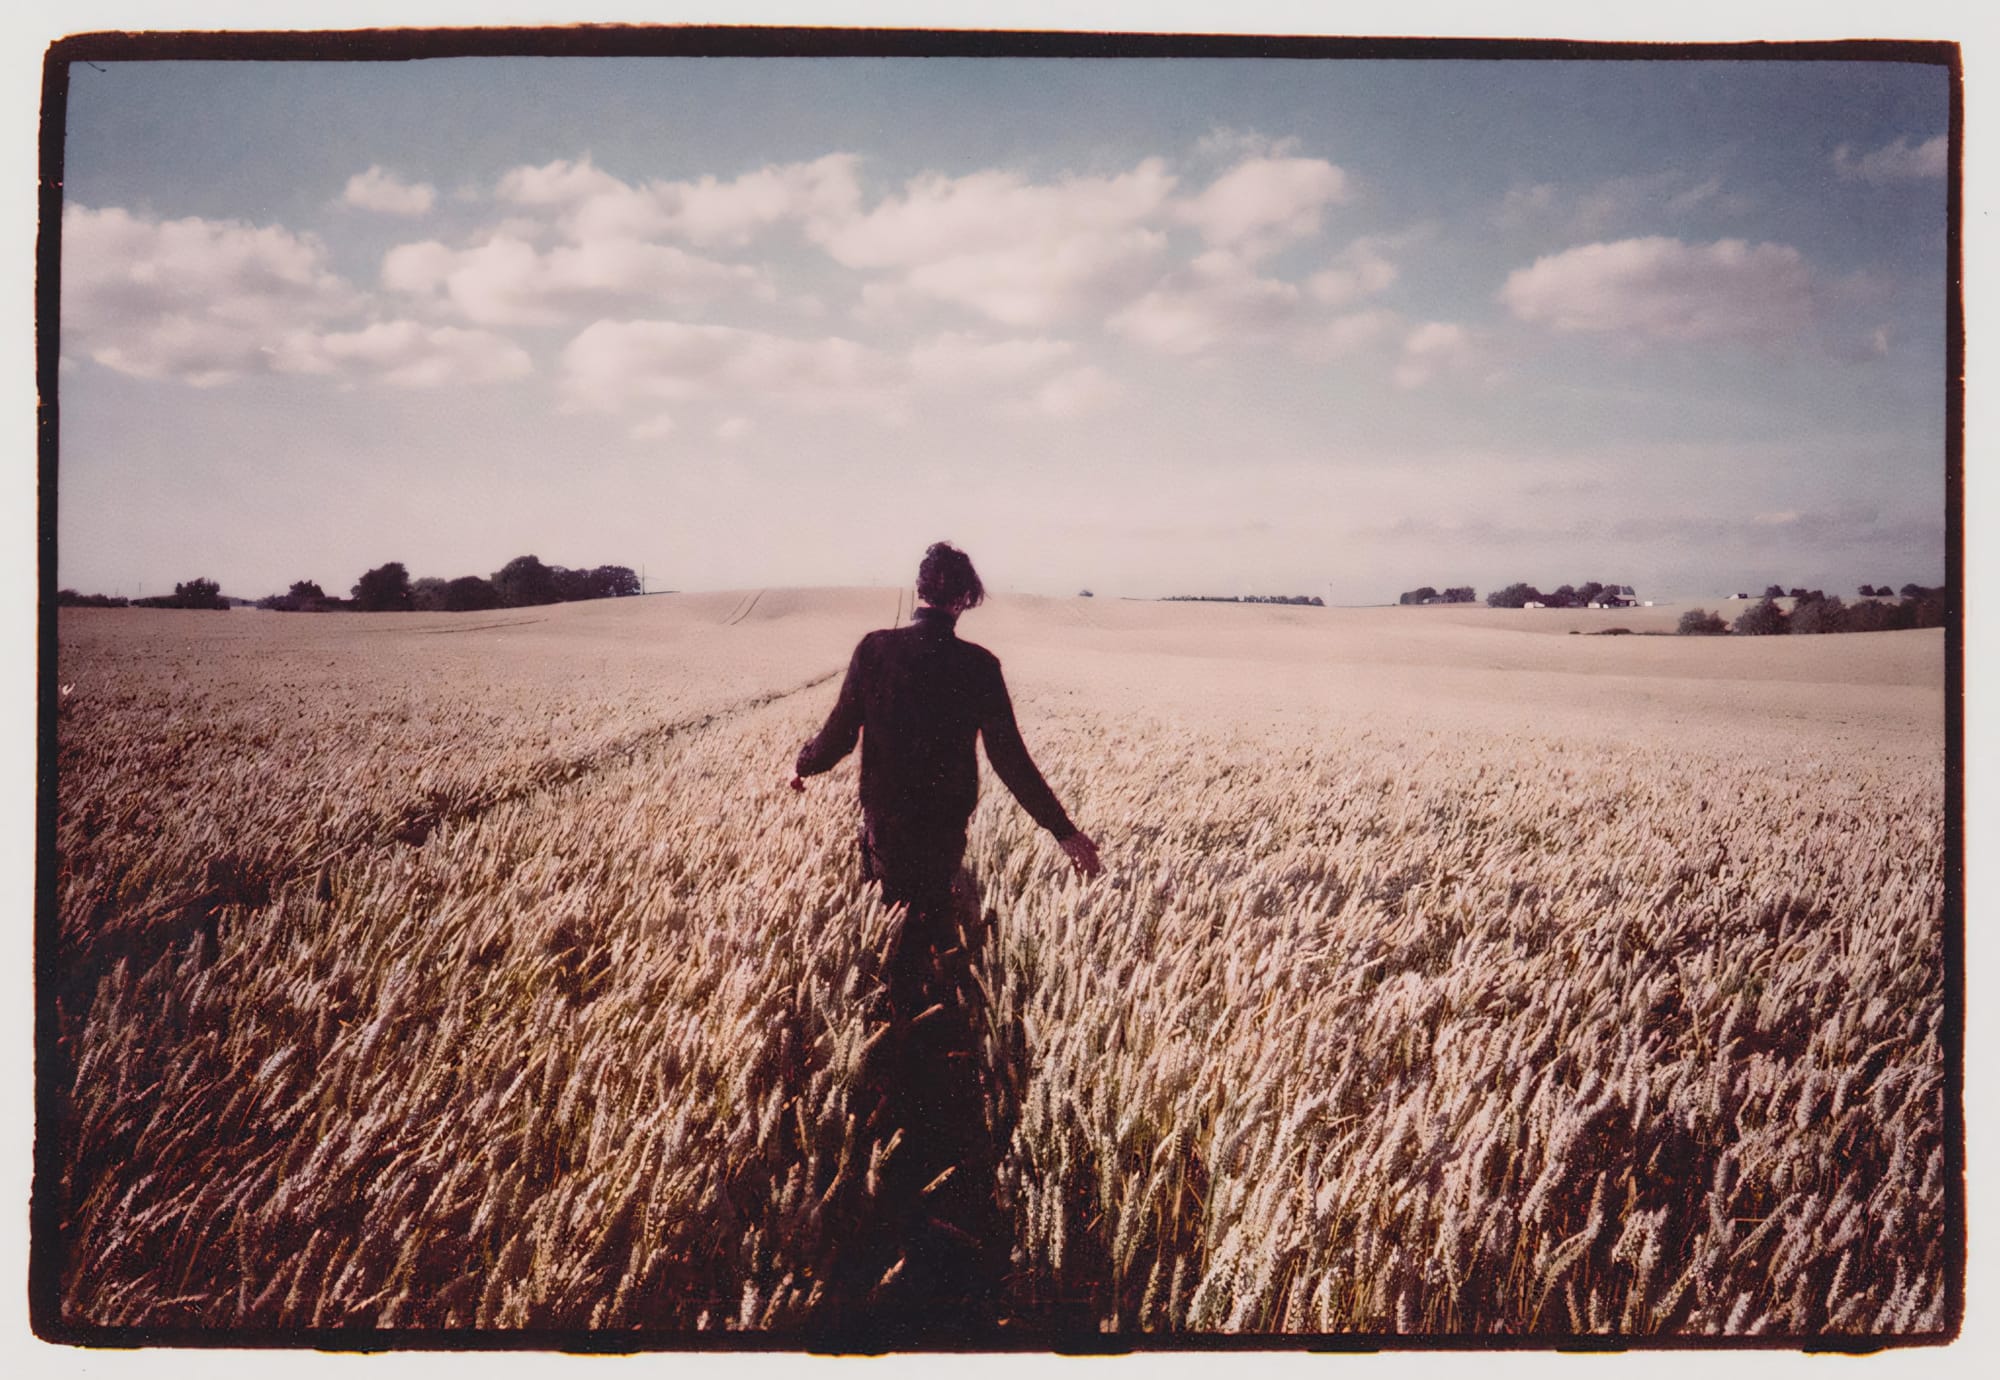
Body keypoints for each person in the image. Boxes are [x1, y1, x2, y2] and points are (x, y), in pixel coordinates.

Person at [787, 541, 1099, 1335]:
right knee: (931, 932)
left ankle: (889, 1067)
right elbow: (1009, 760)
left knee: (889, 937)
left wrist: (802, 766)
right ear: (964, 599)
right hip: (944, 830)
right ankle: (932, 1063)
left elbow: (838, 733)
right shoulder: (980, 667)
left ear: (919, 592)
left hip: (885, 827)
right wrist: (1064, 833)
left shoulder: (874, 650)